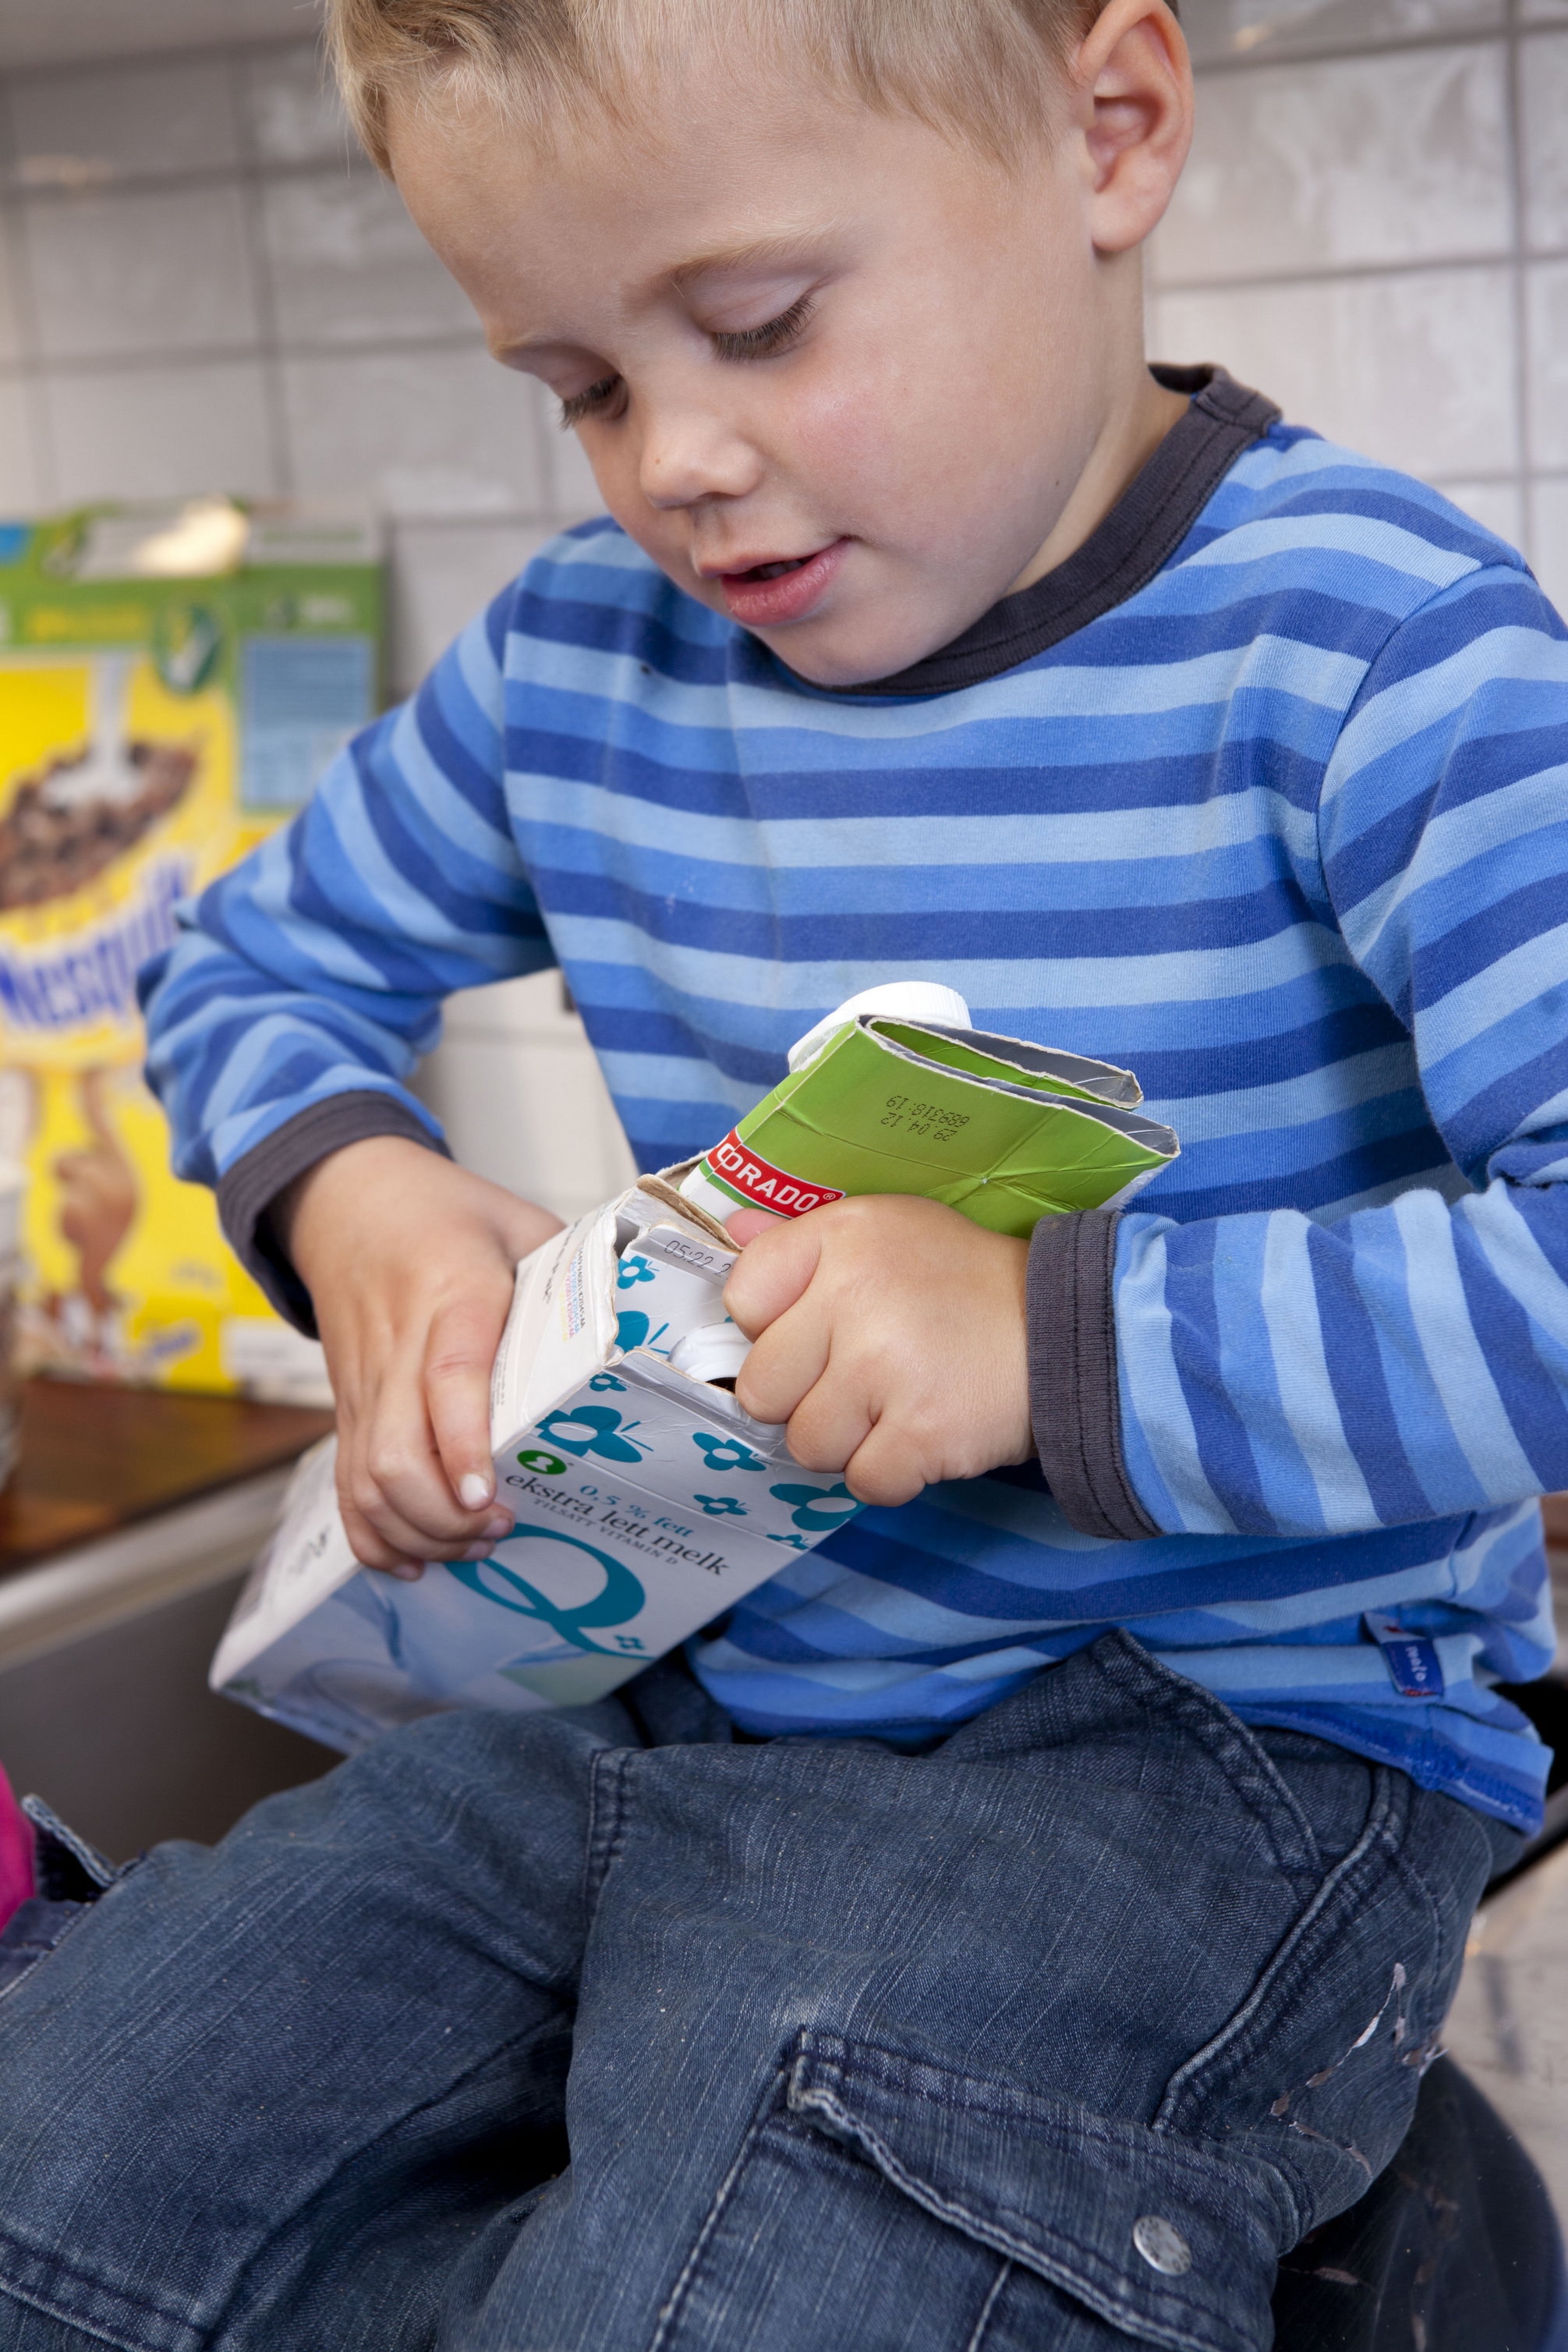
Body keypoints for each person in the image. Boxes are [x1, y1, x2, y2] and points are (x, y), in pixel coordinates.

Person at [0, 2, 1560, 2344]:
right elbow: (249, 966)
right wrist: (358, 1200)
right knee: (67, 2155)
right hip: (680, 1683)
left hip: (1219, 1748)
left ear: (1109, 130)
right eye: (580, 386)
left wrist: (1041, 1345)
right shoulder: (577, 664)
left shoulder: (1380, 657)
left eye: (755, 325)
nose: (676, 465)